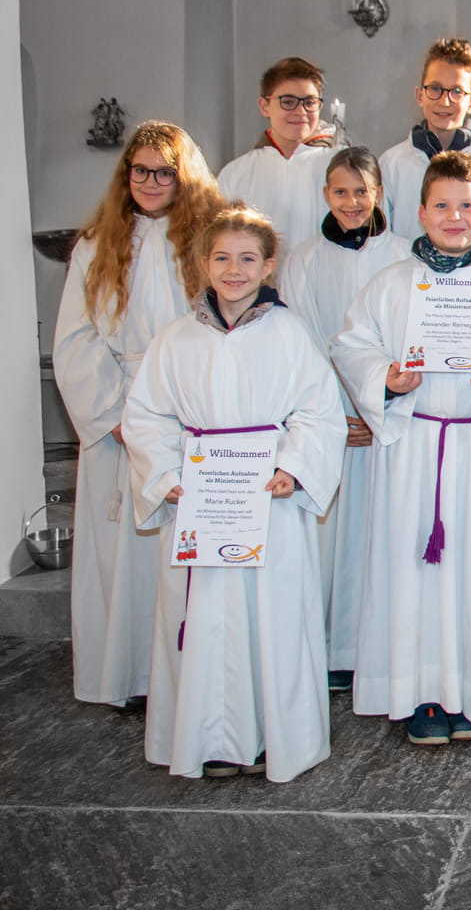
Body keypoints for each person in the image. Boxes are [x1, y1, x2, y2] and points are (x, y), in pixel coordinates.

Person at [331, 152, 471, 746]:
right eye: (442, 205)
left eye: (467, 206)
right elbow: (353, 345)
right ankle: (421, 694)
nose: (454, 216)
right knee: (413, 574)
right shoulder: (392, 284)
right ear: (420, 212)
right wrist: (386, 379)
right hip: (414, 446)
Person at [123, 205, 345, 781]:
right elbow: (146, 415)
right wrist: (166, 476)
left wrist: (294, 468)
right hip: (200, 497)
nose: (234, 270)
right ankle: (209, 738)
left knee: (271, 617)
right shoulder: (175, 338)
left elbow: (319, 412)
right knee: (206, 618)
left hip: (267, 496)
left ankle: (275, 736)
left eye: (248, 259)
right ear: (202, 263)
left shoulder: (289, 333)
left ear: (268, 265)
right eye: (221, 257)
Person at [54, 121, 224, 707]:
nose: (151, 182)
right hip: (121, 412)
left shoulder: (207, 241)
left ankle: (188, 675)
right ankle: (130, 677)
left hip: (192, 411)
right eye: (141, 170)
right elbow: (75, 339)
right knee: (124, 554)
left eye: (165, 172)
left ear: (186, 177)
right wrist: (114, 416)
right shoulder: (97, 245)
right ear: (126, 175)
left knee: (185, 549)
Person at [279, 147, 411, 689]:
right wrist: (337, 410)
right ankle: (333, 648)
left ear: (379, 193)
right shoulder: (303, 261)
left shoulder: (404, 255)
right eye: (341, 191)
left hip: (391, 415)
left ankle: (381, 649)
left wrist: (376, 401)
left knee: (385, 532)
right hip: (331, 416)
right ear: (325, 195)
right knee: (332, 538)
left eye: (362, 191)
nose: (352, 202)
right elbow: (300, 340)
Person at [380, 37, 471, 241]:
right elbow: (383, 240)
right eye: (435, 88)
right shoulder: (391, 164)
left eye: (457, 91)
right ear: (420, 95)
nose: (445, 101)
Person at [218, 56, 335, 247]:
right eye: (288, 102)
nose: (301, 111)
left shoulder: (340, 167)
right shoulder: (236, 173)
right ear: (264, 106)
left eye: (310, 102)